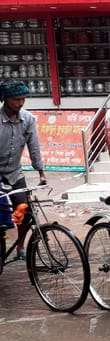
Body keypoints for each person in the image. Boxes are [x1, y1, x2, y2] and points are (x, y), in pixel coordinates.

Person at [0, 81, 45, 260]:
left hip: (14, 172)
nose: (20, 103)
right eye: (16, 99)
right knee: (2, 214)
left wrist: (41, 173)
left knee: (24, 210)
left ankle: (20, 247)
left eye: (23, 99)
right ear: (5, 99)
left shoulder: (28, 119)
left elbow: (34, 148)